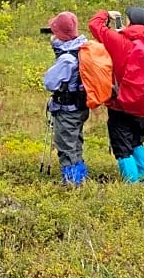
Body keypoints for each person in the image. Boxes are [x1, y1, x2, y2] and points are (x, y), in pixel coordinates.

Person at [88, 6, 144, 183]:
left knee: (122, 146)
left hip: (121, 104)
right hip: (143, 104)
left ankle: (131, 184)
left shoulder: (119, 42)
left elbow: (95, 25)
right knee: (137, 141)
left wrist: (105, 14)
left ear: (129, 22)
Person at [42, 12, 90, 185]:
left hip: (68, 109)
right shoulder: (81, 48)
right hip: (80, 108)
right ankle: (80, 176)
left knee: (66, 146)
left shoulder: (67, 58)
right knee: (76, 143)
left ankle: (72, 183)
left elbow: (50, 83)